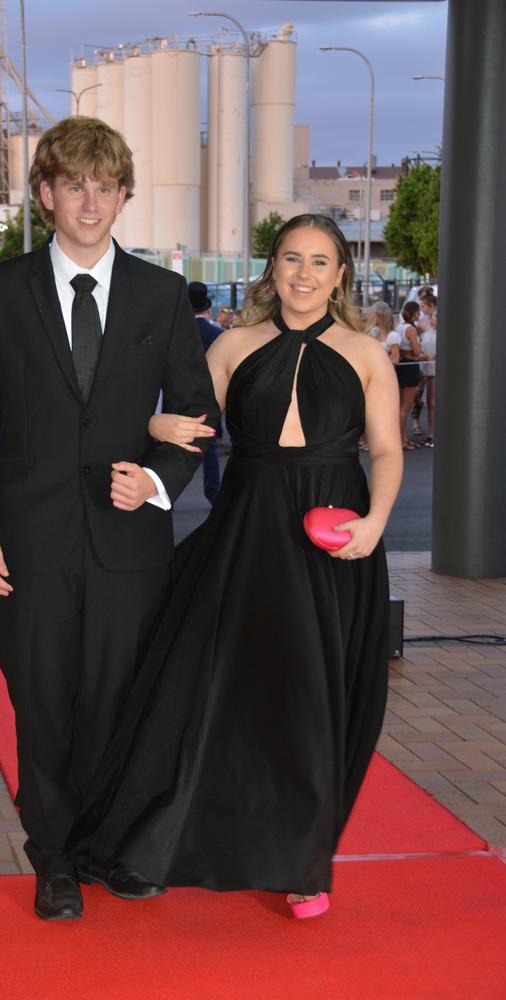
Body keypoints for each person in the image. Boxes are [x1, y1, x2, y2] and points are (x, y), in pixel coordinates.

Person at [69, 213, 402, 920]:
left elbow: (389, 451)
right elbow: (186, 423)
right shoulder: (233, 346)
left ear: (340, 274)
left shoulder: (368, 353)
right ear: (271, 268)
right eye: (291, 259)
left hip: (335, 539)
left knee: (315, 697)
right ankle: (164, 841)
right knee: (213, 686)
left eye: (319, 262)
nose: (304, 275)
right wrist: (157, 426)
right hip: (249, 529)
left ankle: (306, 864)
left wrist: (374, 524)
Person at [0, 115, 219, 922]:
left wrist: (161, 482)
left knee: (118, 699)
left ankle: (111, 847)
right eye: (75, 186)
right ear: (46, 193)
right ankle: (55, 858)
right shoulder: (2, 289)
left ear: (124, 195)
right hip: (26, 545)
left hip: (130, 543)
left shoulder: (162, 294)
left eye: (105, 187)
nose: (90, 202)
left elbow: (196, 412)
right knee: (44, 699)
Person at [188, 281, 221, 504]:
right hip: (210, 397)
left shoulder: (179, 332)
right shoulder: (218, 334)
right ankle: (213, 491)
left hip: (179, 397)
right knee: (208, 449)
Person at [395, 301, 423, 450]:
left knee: (400, 406)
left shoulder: (399, 327)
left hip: (401, 366)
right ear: (414, 313)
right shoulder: (411, 329)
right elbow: (417, 351)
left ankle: (403, 438)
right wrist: (418, 352)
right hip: (410, 367)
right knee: (405, 407)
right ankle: (402, 440)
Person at [419, 307, 436, 446]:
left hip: (437, 371)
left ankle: (433, 433)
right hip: (426, 369)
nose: (436, 318)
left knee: (433, 402)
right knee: (429, 402)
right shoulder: (426, 333)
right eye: (435, 315)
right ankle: (431, 432)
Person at [367, 301, 400, 366]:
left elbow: (395, 360)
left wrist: (377, 365)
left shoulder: (392, 336)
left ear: (381, 316)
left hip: (384, 371)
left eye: (373, 315)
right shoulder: (374, 331)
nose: (371, 317)